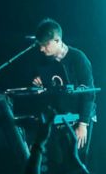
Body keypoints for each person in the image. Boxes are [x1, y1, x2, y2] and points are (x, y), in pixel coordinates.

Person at [31, 18, 95, 152]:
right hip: (58, 119)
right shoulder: (44, 61)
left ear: (57, 40)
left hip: (78, 118)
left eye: (45, 44)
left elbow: (89, 93)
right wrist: (40, 85)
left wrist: (83, 124)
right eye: (40, 45)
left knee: (78, 162)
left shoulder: (78, 58)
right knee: (57, 165)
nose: (41, 49)